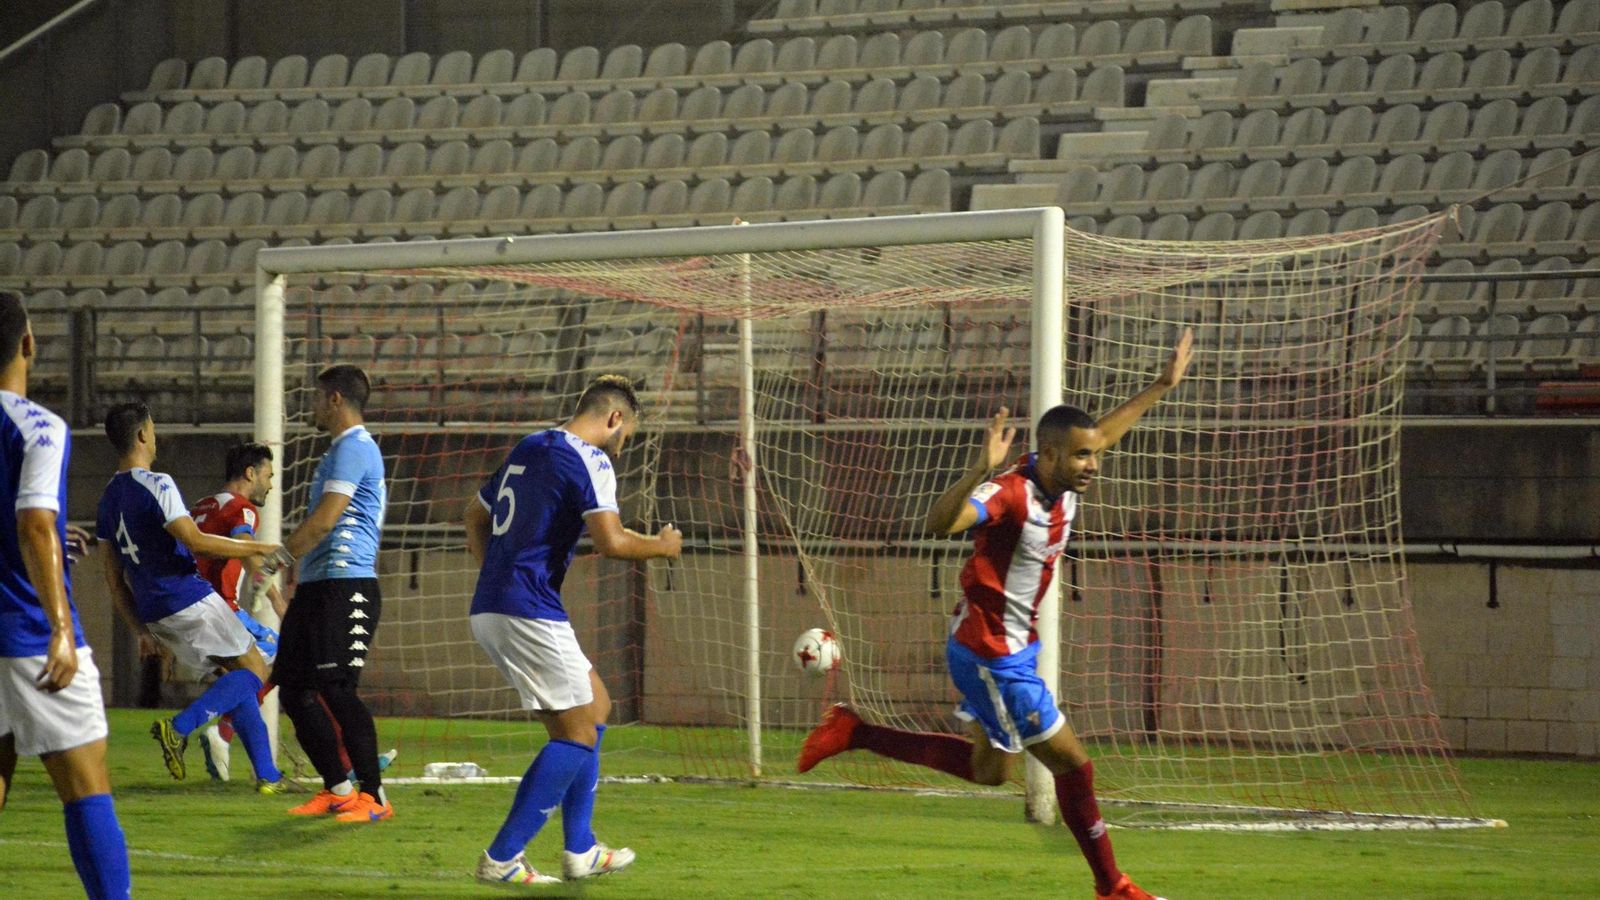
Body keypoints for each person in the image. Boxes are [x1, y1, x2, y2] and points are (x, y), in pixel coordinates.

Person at [797, 330, 1195, 900]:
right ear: (1051, 454)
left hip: (1003, 646)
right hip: (993, 655)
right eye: (1083, 455)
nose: (1094, 463)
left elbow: (1108, 429)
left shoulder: (1065, 475)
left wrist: (1162, 384)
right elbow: (940, 525)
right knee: (1074, 768)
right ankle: (1113, 887)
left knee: (990, 771)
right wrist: (977, 468)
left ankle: (855, 731)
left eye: (1095, 454)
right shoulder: (1008, 493)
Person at [466, 375, 681, 886]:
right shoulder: (591, 458)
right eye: (625, 433)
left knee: (595, 705)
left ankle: (580, 848)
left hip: (495, 605)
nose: (621, 445)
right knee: (580, 732)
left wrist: (494, 572)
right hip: (527, 607)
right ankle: (502, 859)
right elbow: (610, 541)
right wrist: (663, 545)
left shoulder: (531, 444)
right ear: (614, 419)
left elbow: (474, 512)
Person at [0, 291, 132, 899]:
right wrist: (59, 626)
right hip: (26, 631)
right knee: (87, 784)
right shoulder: (37, 426)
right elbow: (34, 525)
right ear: (28, 343)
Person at [96, 402, 286, 794]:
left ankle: (268, 776)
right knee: (255, 672)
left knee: (237, 678)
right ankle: (178, 728)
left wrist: (141, 632)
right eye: (154, 426)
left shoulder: (107, 499)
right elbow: (196, 541)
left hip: (154, 612)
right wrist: (261, 548)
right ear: (143, 434)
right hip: (187, 596)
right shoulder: (157, 483)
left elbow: (114, 581)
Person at [263, 365, 392, 822]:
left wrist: (275, 560)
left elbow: (324, 521)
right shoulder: (338, 451)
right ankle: (338, 788)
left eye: (318, 398)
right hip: (320, 586)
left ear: (335, 399)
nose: (313, 407)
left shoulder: (356, 449)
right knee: (294, 688)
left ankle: (374, 796)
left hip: (348, 585)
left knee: (337, 688)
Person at [188, 442, 282, 781]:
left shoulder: (202, 505)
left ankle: (262, 771)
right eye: (268, 476)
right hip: (219, 609)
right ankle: (210, 730)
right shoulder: (243, 508)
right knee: (285, 655)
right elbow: (245, 546)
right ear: (250, 473)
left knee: (243, 681)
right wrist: (276, 597)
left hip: (188, 608)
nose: (271, 485)